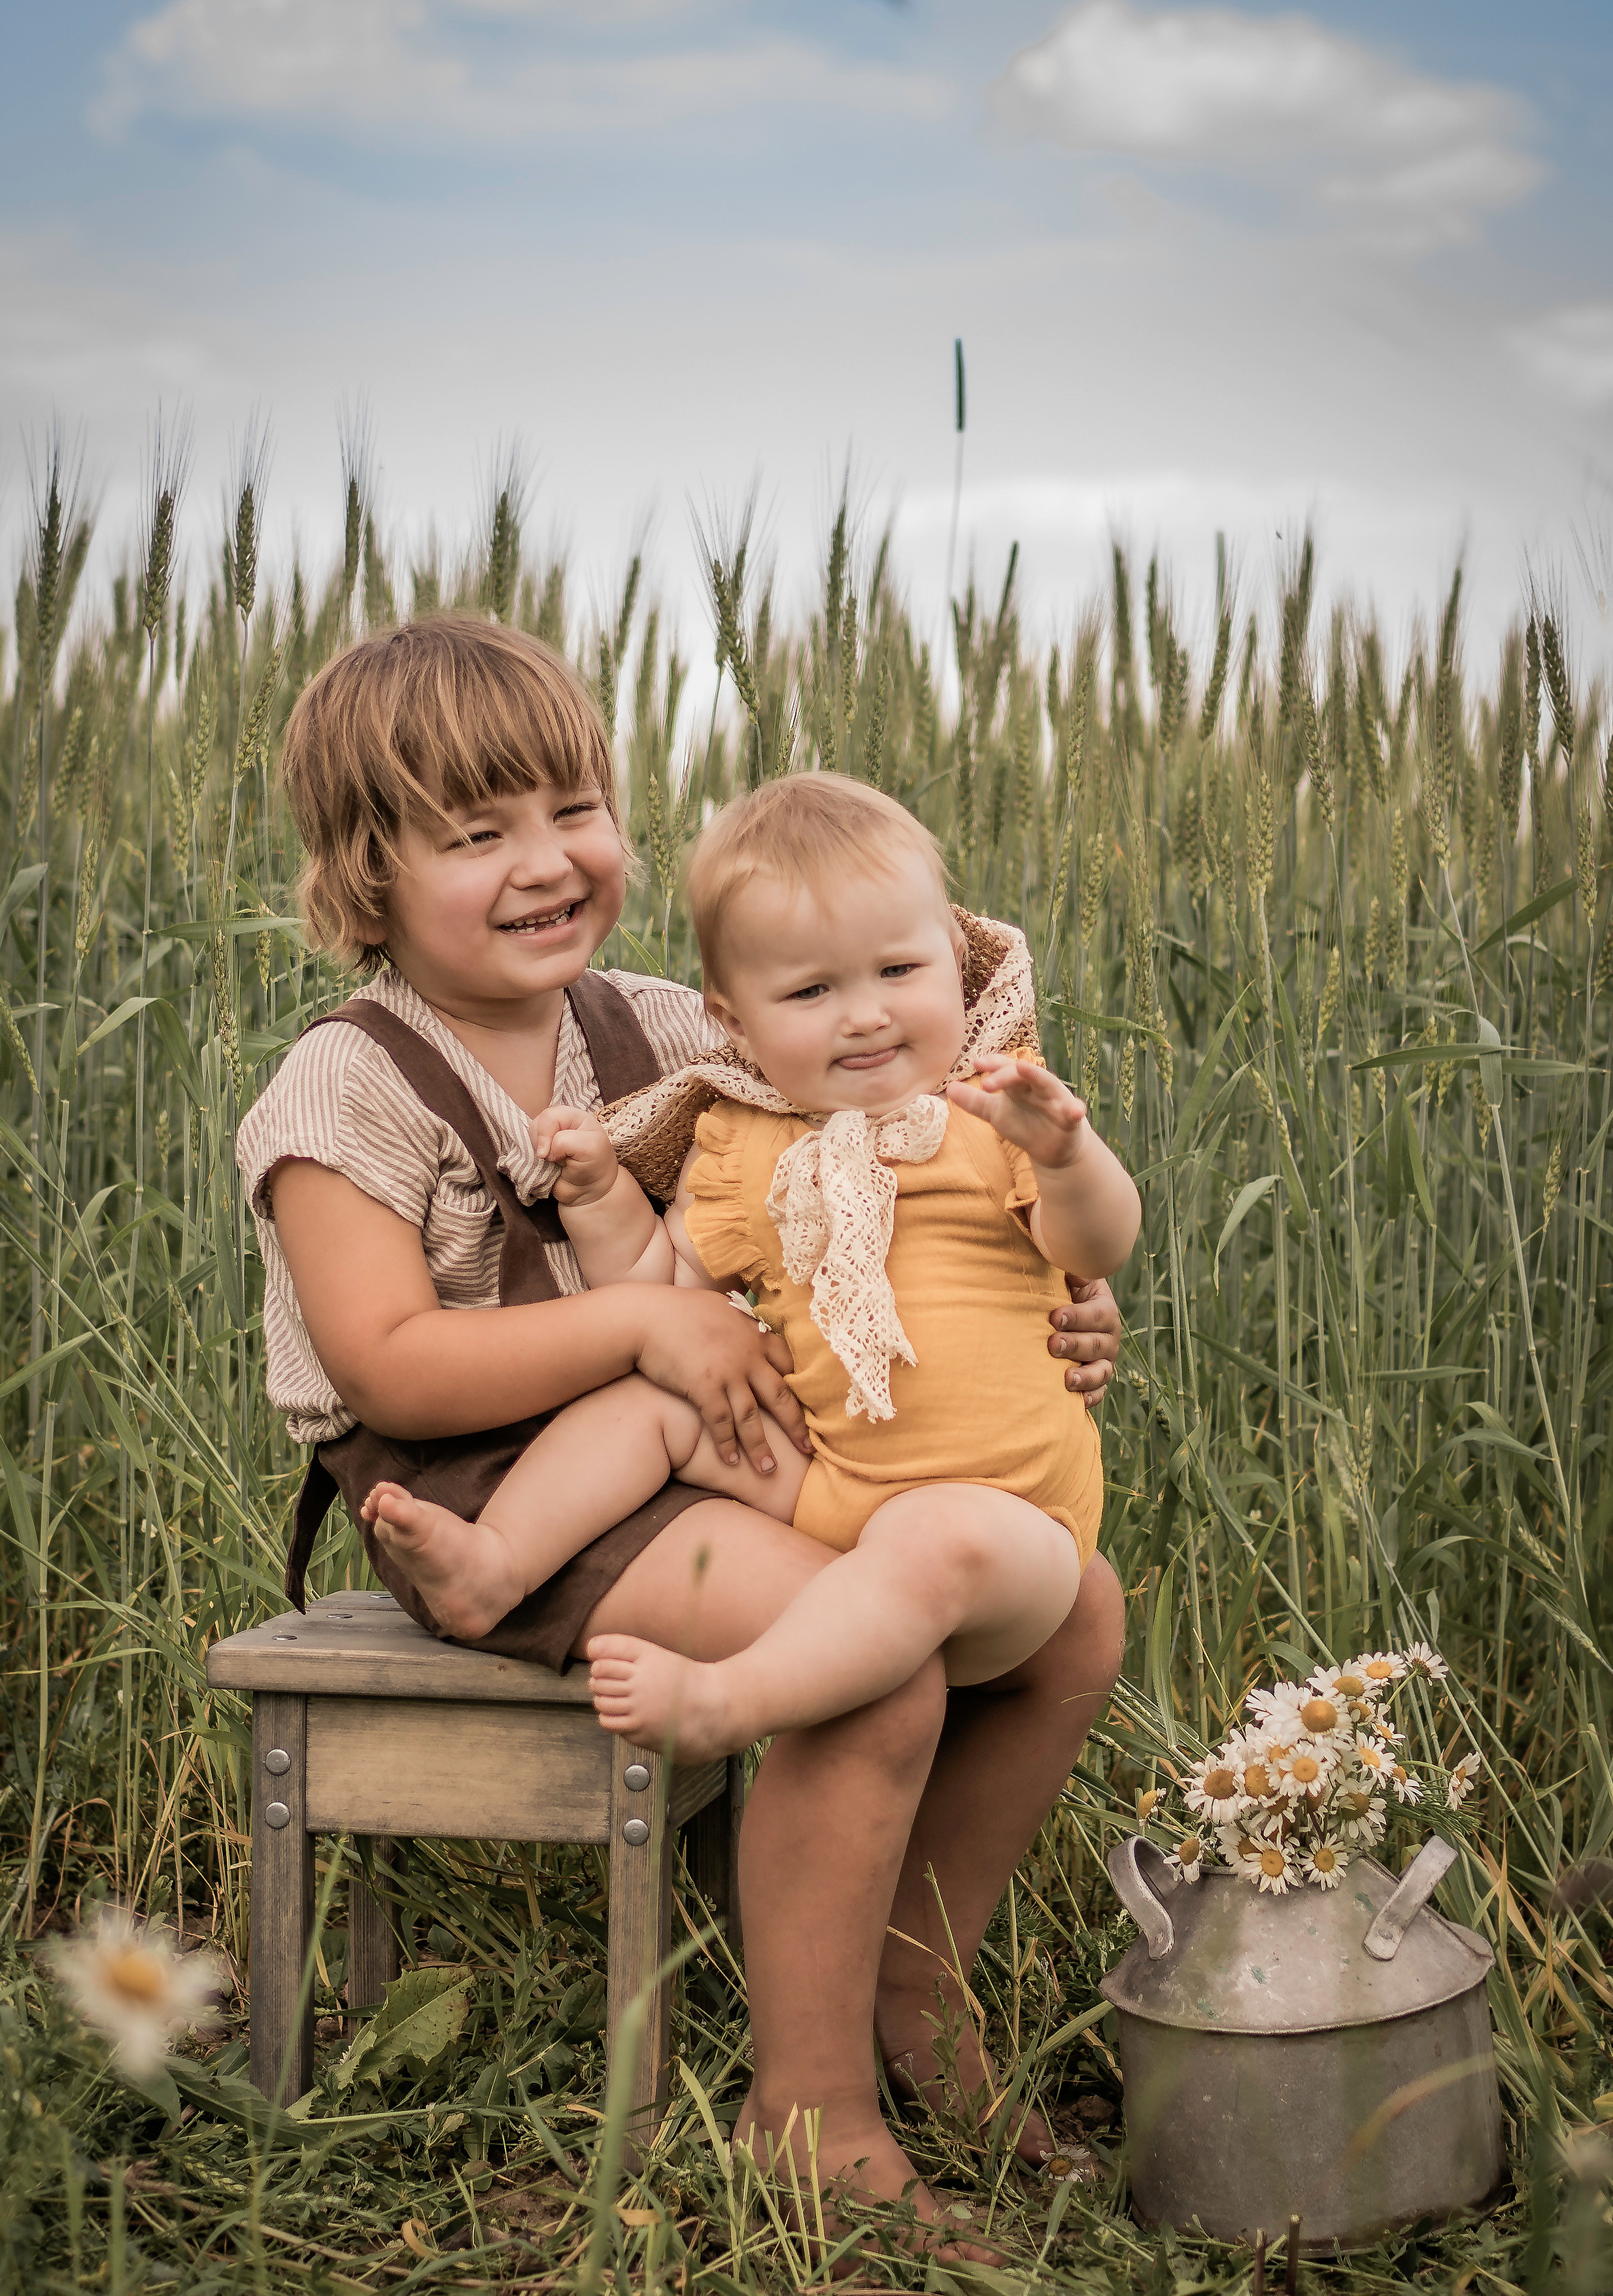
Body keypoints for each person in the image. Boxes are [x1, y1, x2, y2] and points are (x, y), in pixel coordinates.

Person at [237, 615, 1128, 2251]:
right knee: (869, 1660)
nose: (545, 860)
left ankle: (917, 1992)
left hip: (715, 1421)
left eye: (573, 807)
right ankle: (806, 2107)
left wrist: (1044, 1295)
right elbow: (389, 1369)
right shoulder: (344, 1084)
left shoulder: (673, 1020)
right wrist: (649, 1316)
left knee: (1074, 1611)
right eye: (476, 831)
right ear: (366, 872)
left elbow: (869, 1187)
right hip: (495, 1475)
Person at [360, 776, 1140, 1768]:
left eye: (898, 970)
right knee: (653, 1406)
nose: (864, 1016)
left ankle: (734, 1700)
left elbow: (1097, 1247)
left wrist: (1071, 1161)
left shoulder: (997, 1109)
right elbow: (665, 1290)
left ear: (956, 959)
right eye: (812, 992)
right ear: (732, 1022)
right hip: (828, 1479)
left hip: (1008, 1522)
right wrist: (600, 1195)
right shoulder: (741, 1145)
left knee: (934, 1540)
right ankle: (497, 1564)